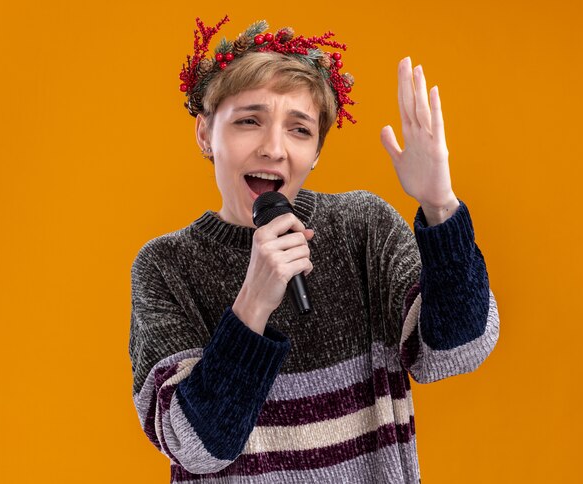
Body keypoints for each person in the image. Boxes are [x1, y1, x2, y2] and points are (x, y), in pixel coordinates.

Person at [129, 15, 499, 483]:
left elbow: (456, 352)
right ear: (205, 133)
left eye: (299, 130)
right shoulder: (166, 267)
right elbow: (195, 448)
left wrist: (440, 205)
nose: (273, 148)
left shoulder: (360, 226)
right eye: (249, 121)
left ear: (318, 152)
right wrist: (252, 308)